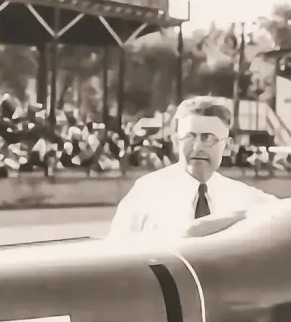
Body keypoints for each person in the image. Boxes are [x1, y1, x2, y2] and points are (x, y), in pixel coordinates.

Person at [106, 96, 276, 240]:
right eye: (189, 137)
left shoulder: (245, 199)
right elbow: (114, 251)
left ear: (227, 146)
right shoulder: (146, 193)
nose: (197, 147)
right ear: (175, 142)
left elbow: (288, 213)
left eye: (208, 138)